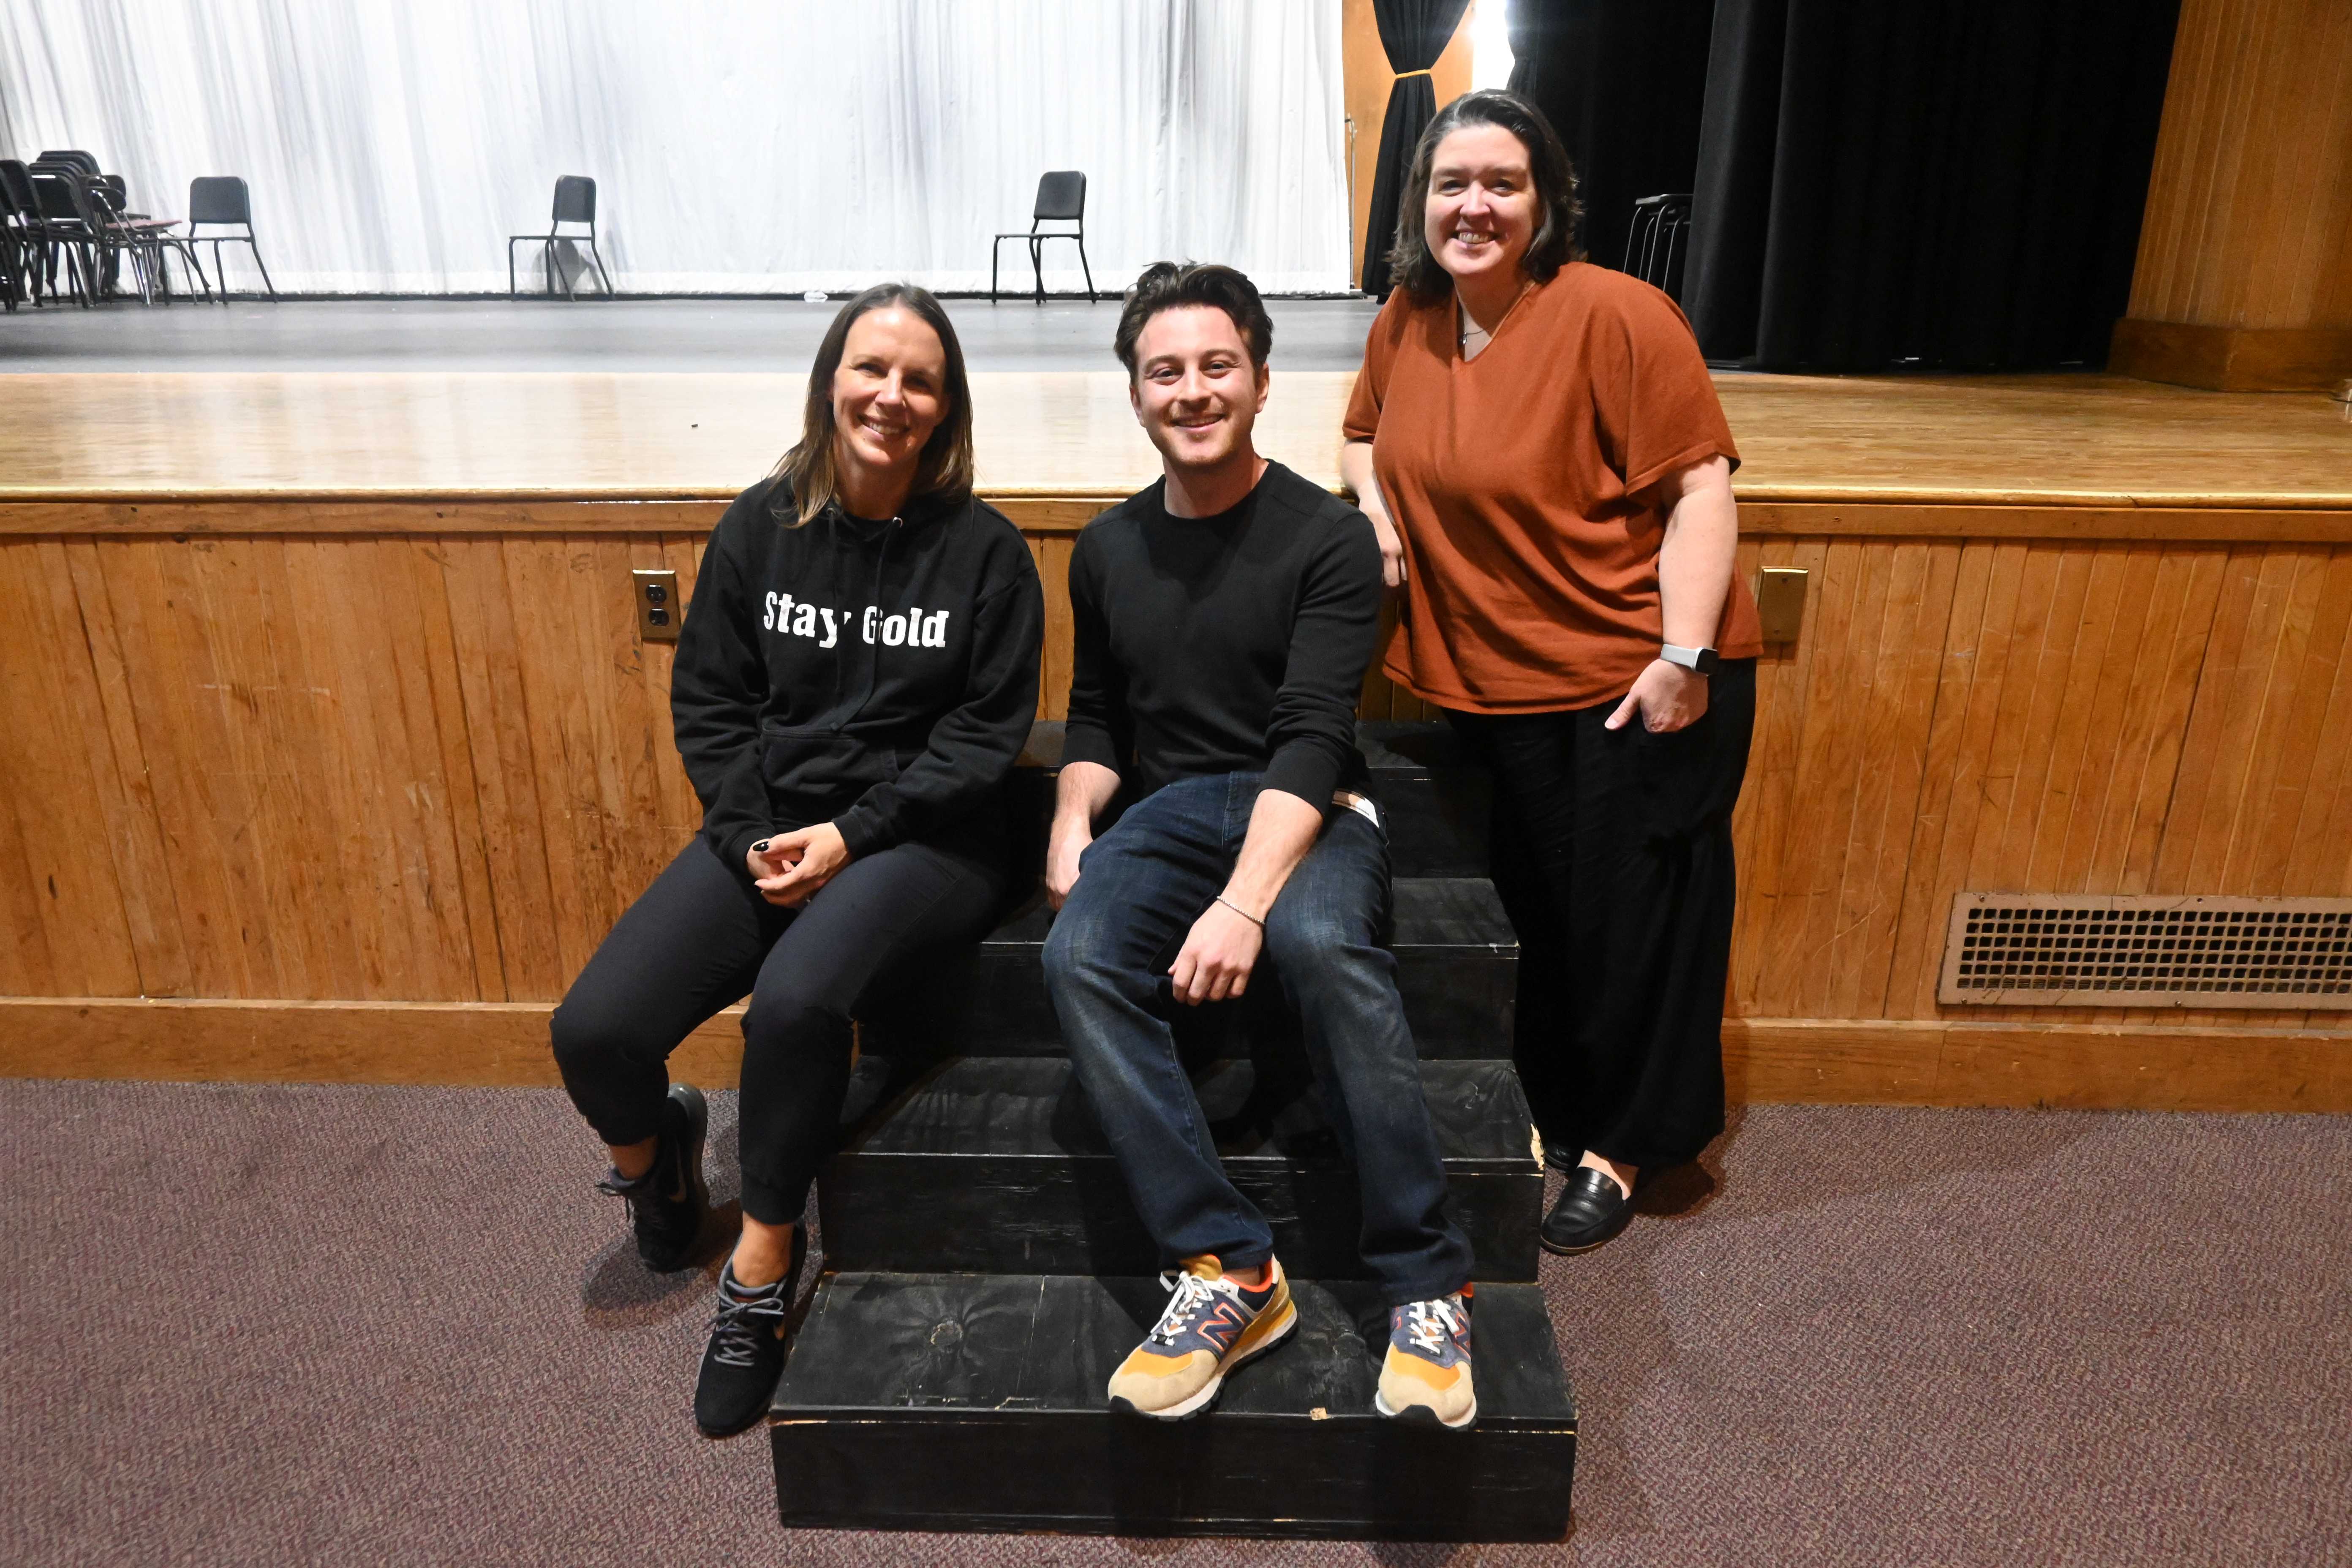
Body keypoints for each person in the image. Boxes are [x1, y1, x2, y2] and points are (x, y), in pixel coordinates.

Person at [548, 283, 1044, 1437]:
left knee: (798, 1002)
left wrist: (851, 836)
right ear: (832, 379)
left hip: (925, 838)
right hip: (774, 830)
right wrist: (748, 835)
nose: (893, 395)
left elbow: (981, 741)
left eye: (921, 380)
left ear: (947, 408)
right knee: (596, 1032)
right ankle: (659, 1158)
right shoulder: (762, 525)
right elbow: (713, 704)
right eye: (873, 368)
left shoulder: (985, 554)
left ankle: (763, 1270)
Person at [1042, 262, 1480, 1429]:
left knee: (1324, 944)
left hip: (1312, 803)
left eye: (1217, 367)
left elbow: (1308, 740)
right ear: (1136, 395)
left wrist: (1242, 906)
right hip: (1172, 808)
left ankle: (1428, 1280)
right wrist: (1074, 818)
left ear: (1263, 381)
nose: (1193, 391)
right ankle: (1233, 1268)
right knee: (1075, 954)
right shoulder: (1106, 548)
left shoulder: (1326, 542)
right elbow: (1097, 717)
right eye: (1165, 372)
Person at [1340, 89, 1761, 1258]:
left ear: (1546, 201)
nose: (1473, 205)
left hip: (1633, 675)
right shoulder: (1409, 320)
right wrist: (1375, 512)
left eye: (1502, 183)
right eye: (1450, 183)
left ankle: (1622, 1147)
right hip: (1494, 678)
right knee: (1543, 922)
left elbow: (1702, 492)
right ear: (1419, 201)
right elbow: (1364, 433)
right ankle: (1562, 1109)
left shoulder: (1621, 316)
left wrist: (1682, 658)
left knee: (1632, 926)